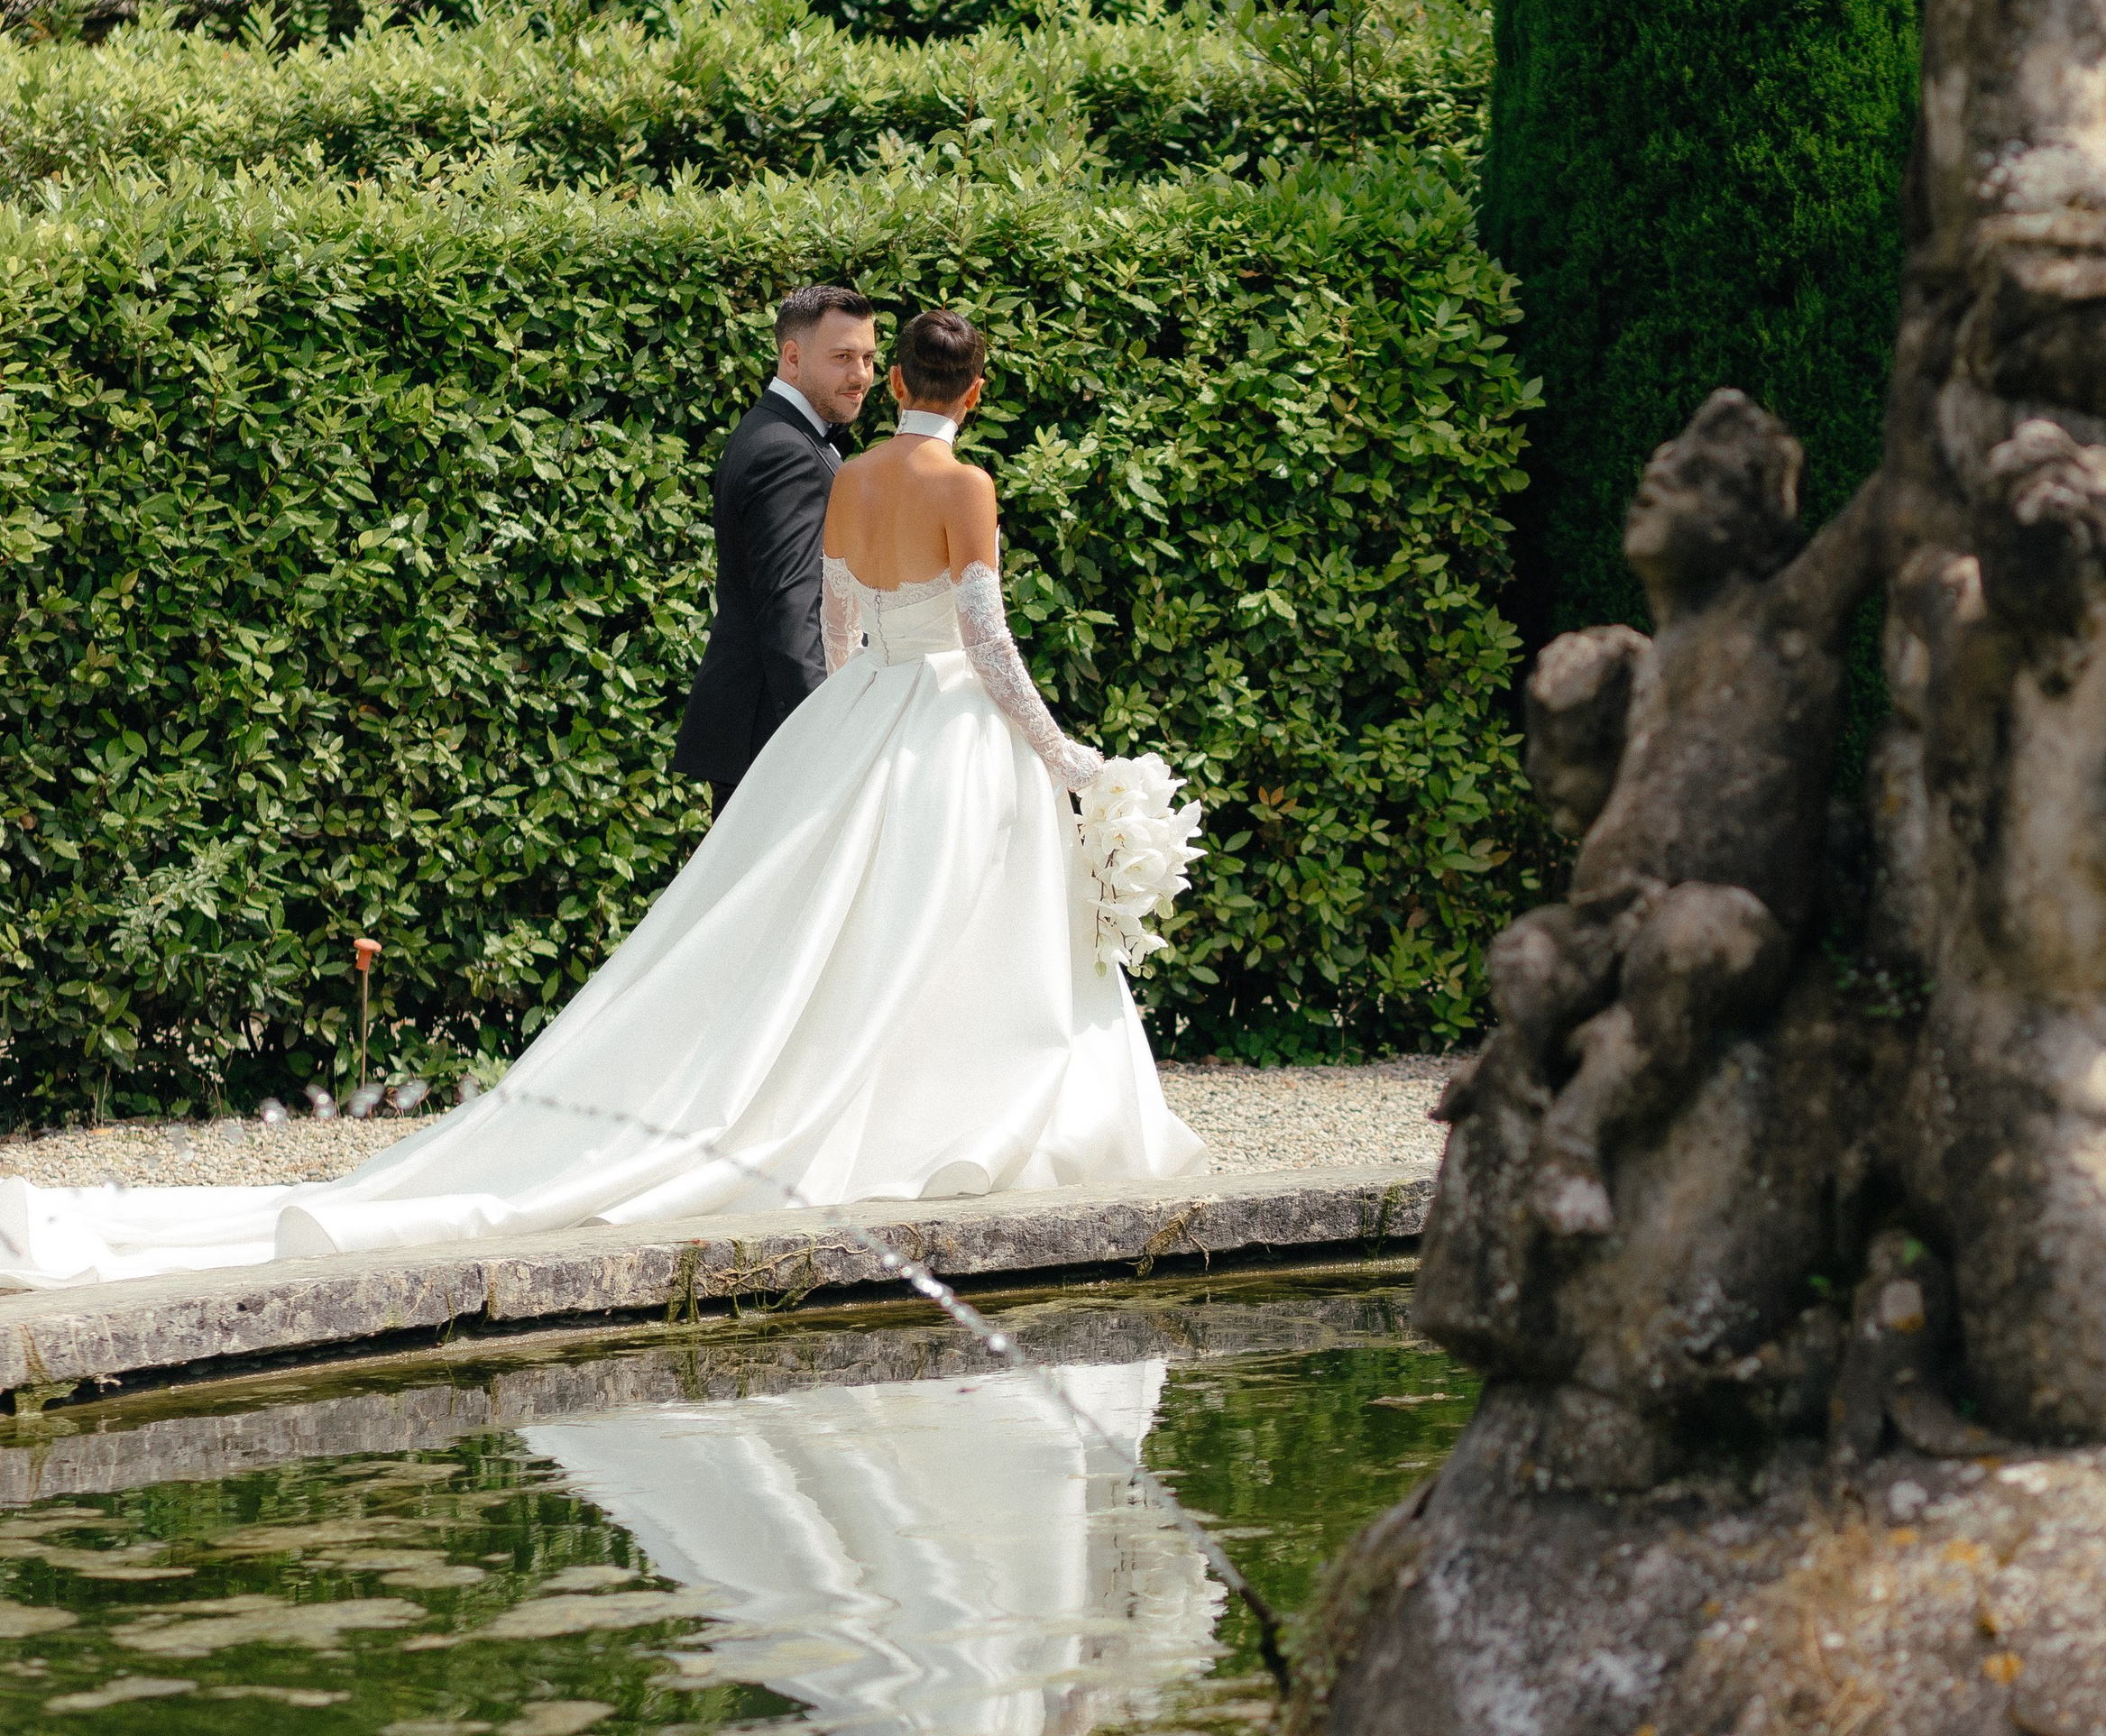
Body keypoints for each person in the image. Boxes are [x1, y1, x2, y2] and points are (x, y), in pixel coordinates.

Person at [0, 308, 1208, 1288]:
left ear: (891, 377)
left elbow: (837, 625)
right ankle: (950, 1116)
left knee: (848, 938)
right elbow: (989, 640)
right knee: (945, 935)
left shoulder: (847, 478)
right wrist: (1062, 755)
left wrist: (845, 731)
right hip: (947, 723)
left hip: (865, 713)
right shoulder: (969, 484)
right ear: (976, 391)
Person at [676, 283, 879, 815]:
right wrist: (826, 736)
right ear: (792, 356)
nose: (860, 376)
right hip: (774, 740)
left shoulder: (774, 432)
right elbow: (792, 612)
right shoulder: (786, 453)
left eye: (868, 357)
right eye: (842, 358)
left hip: (759, 730)